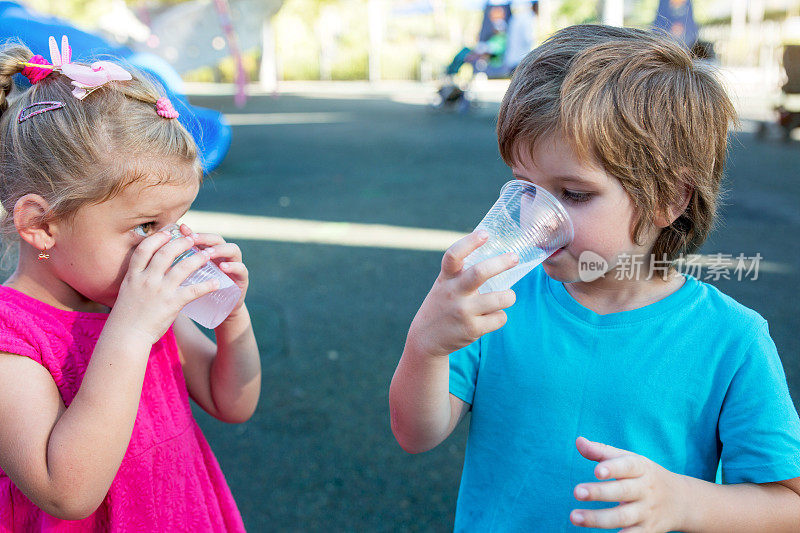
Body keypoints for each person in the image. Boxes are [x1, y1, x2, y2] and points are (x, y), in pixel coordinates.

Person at [390, 24, 800, 531]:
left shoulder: (731, 340)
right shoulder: (498, 302)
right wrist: (426, 346)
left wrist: (685, 501)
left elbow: (788, 504)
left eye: (574, 193)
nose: (534, 219)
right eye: (523, 187)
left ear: (670, 199)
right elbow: (415, 433)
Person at [0, 36, 260, 531]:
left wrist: (232, 317)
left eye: (176, 222)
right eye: (145, 226)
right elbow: (67, 492)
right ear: (42, 224)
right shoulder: (12, 340)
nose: (164, 245)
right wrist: (133, 331)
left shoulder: (133, 302)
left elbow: (234, 401)